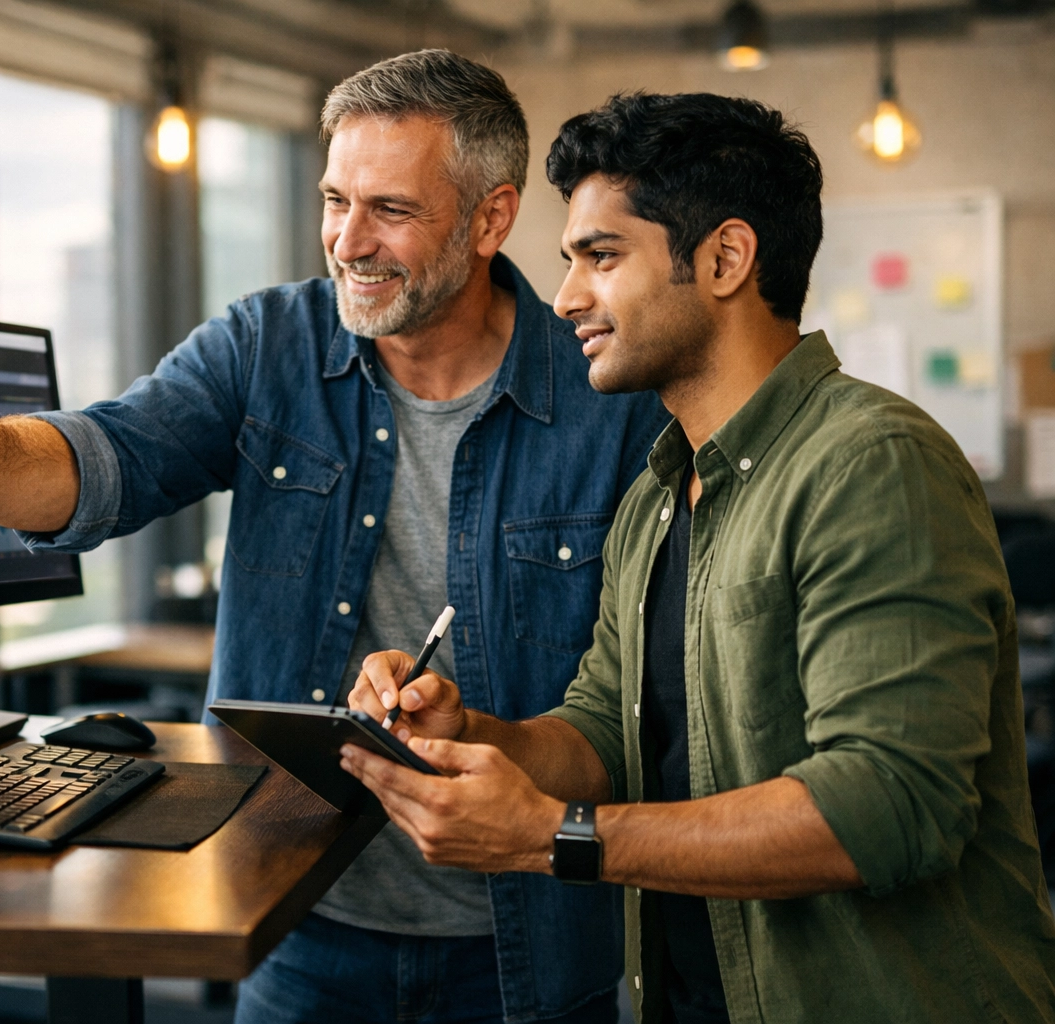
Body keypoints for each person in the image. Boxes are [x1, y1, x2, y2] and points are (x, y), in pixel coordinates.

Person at [0, 51, 668, 1024]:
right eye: (335, 199)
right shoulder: (268, 345)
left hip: (526, 954)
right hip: (298, 922)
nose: (347, 239)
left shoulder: (610, 405)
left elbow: (634, 711)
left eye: (390, 209)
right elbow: (104, 458)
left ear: (491, 217)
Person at [341, 91, 1055, 1023]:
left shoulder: (872, 463)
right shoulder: (655, 494)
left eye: (601, 257)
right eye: (568, 262)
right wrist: (477, 735)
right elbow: (606, 732)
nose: (565, 298)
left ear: (724, 258)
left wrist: (554, 838)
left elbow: (890, 806)